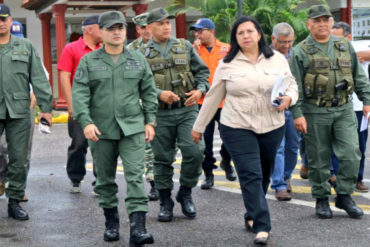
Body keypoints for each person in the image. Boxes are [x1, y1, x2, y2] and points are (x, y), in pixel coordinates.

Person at [192, 16, 298, 245]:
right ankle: (262, 226)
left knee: (264, 172)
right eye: (240, 33)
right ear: (235, 38)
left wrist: (290, 98)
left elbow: (291, 85)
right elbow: (213, 97)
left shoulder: (277, 59)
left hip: (272, 124)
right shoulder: (227, 64)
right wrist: (199, 127)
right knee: (250, 173)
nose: (246, 36)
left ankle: (251, 213)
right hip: (237, 125)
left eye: (250, 31)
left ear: (259, 34)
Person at [72, 11, 157, 245]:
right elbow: (80, 94)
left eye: (120, 27)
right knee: (105, 180)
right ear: (101, 32)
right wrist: (86, 122)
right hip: (101, 131)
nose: (117, 32)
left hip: (133, 128)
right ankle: (111, 224)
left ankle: (138, 229)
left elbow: (149, 92)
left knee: (135, 177)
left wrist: (150, 121)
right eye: (111, 28)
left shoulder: (137, 59)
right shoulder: (89, 62)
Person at [289, 4, 370, 220]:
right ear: (309, 24)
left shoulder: (345, 46)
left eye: (325, 19)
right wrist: (297, 114)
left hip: (343, 109)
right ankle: (321, 198)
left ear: (331, 22)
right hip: (314, 111)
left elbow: (358, 76)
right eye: (317, 20)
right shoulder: (299, 51)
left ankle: (344, 195)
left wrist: (367, 100)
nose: (322, 24)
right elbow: (294, 86)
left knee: (352, 154)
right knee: (318, 158)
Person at [143, 8, 209, 222]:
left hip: (187, 110)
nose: (165, 26)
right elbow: (135, 85)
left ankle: (185, 192)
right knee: (162, 160)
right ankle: (165, 201)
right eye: (160, 23)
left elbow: (203, 73)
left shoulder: (185, 46)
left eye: (167, 23)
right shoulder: (141, 53)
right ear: (150, 27)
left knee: (195, 152)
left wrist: (200, 90)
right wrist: (159, 93)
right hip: (160, 115)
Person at [0, 3, 53, 220]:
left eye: (3, 19)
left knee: (19, 159)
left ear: (11, 22)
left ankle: (14, 201)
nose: (0, 24)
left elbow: (39, 79)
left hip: (19, 110)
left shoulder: (25, 46)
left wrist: (46, 109)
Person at [189, 18, 236, 190]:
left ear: (211, 31)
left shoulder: (226, 49)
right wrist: (192, 52)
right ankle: (208, 173)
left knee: (230, 137)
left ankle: (227, 161)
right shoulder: (193, 50)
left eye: (200, 30)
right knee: (205, 142)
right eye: (196, 31)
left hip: (225, 101)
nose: (197, 34)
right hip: (203, 102)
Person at [58, 14, 102, 193]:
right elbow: (64, 76)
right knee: (79, 143)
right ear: (90, 29)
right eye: (102, 27)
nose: (106, 30)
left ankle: (101, 181)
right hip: (80, 104)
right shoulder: (71, 49)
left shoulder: (105, 49)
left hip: (101, 105)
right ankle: (75, 178)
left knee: (102, 144)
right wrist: (71, 104)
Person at [330, 21, 369, 192]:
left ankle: (358, 178)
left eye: (339, 37)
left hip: (360, 107)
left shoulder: (358, 48)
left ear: (349, 37)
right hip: (337, 105)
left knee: (359, 146)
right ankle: (337, 179)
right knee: (336, 146)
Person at [126, 12, 159, 201]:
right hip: (142, 102)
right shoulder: (131, 50)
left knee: (169, 144)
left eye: (150, 26)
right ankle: (153, 182)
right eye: (144, 27)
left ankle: (161, 177)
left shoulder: (165, 45)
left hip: (165, 101)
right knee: (147, 144)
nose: (147, 30)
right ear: (138, 29)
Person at [269, 22, 299, 201]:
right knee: (278, 147)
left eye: (290, 42)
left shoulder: (296, 55)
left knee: (293, 147)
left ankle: (286, 176)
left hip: (293, 107)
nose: (286, 46)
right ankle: (279, 184)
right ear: (273, 39)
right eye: (282, 42)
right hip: (274, 108)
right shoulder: (266, 56)